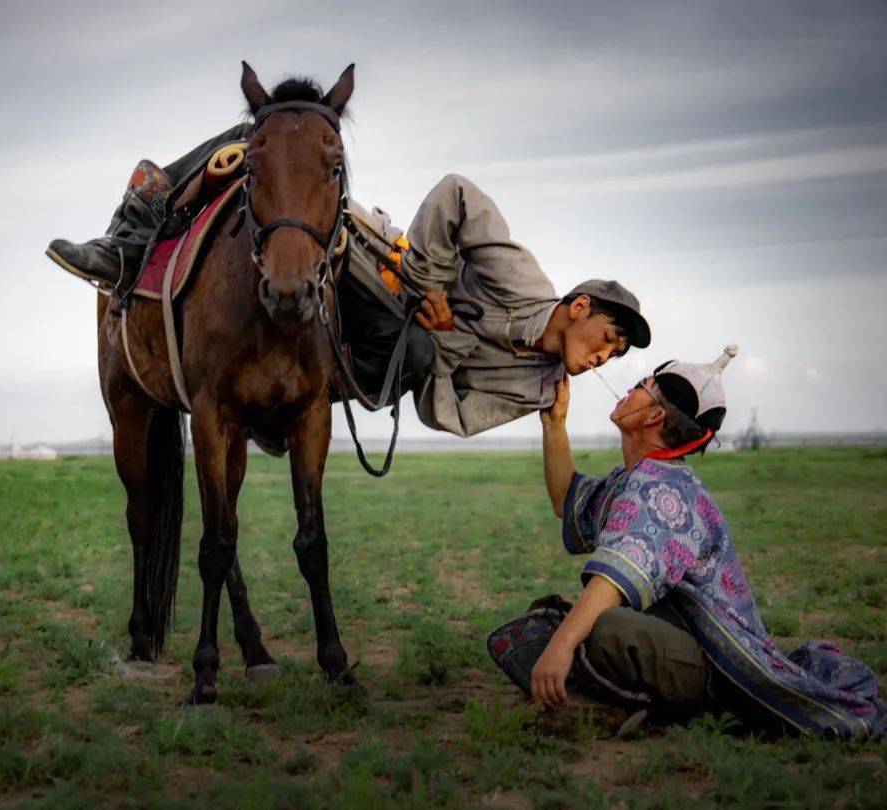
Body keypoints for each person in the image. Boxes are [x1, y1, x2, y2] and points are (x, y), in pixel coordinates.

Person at [47, 108, 651, 437]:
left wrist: (441, 344)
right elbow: (455, 193)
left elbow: (454, 415)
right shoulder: (524, 279)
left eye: (613, 356)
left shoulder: (538, 390)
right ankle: (135, 227)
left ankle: (295, 401)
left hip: (399, 352)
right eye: (606, 340)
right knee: (264, 135)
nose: (603, 357)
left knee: (410, 348)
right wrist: (428, 284)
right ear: (579, 308)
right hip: (379, 266)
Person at [487, 346, 886, 739]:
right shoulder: (642, 477)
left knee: (599, 627)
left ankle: (694, 709)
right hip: (682, 645)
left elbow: (611, 584)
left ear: (654, 415)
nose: (630, 388)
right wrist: (555, 423)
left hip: (715, 666)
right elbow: (567, 502)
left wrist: (561, 646)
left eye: (644, 385)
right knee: (566, 620)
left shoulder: (665, 491)